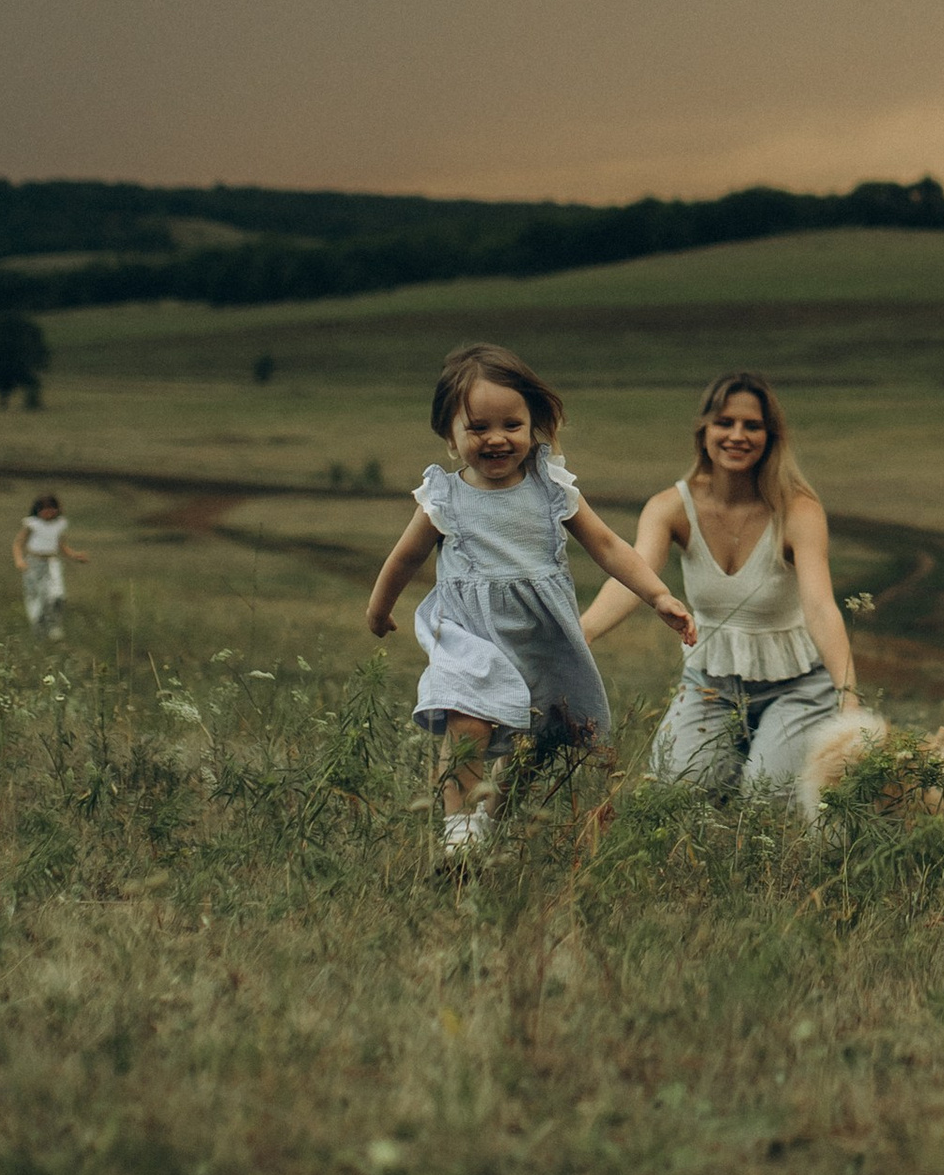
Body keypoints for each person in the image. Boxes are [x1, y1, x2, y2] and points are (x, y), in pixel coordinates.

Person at [364, 341, 695, 853]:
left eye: (511, 425)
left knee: (538, 740)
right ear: (450, 436)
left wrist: (658, 595)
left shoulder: (550, 487)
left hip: (540, 636)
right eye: (478, 428)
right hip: (470, 633)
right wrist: (379, 608)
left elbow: (608, 546)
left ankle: (491, 820)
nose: (497, 438)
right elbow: (405, 558)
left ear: (532, 424)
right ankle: (459, 829)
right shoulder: (443, 499)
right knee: (467, 717)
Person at [584, 367, 864, 798]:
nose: (737, 436)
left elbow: (820, 607)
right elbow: (631, 579)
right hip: (710, 683)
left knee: (767, 794)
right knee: (673, 794)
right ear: (704, 431)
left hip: (799, 685)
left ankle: (764, 759)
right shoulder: (670, 507)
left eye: (752, 426)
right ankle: (736, 760)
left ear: (771, 436)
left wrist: (849, 697)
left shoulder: (799, 510)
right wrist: (581, 633)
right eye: (725, 422)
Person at [13, 492, 86, 639]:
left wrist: (74, 555)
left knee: (56, 595)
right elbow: (18, 543)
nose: (48, 512)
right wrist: (19, 560)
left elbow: (61, 545)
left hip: (52, 562)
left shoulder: (59, 525)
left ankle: (55, 627)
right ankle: (39, 629)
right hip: (33, 562)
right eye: (44, 509)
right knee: (36, 597)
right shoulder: (32, 524)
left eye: (51, 508)